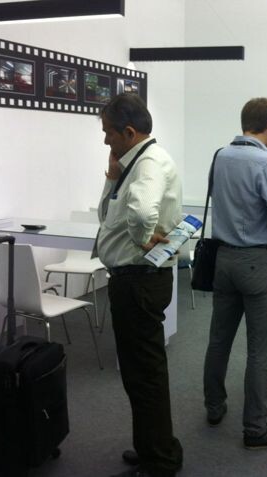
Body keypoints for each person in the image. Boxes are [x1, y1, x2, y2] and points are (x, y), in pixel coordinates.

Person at [96, 94, 183, 477]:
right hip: (134, 280)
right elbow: (106, 215)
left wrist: (142, 237)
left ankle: (160, 461)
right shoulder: (133, 163)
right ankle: (154, 447)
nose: (105, 140)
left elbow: (143, 212)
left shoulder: (148, 162)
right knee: (140, 374)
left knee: (144, 376)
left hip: (139, 281)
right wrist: (111, 178)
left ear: (129, 132)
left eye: (109, 133)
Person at [203, 97, 267, 449]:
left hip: (223, 259)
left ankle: (214, 406)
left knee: (218, 340)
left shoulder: (220, 156)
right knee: (259, 350)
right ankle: (255, 428)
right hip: (258, 262)